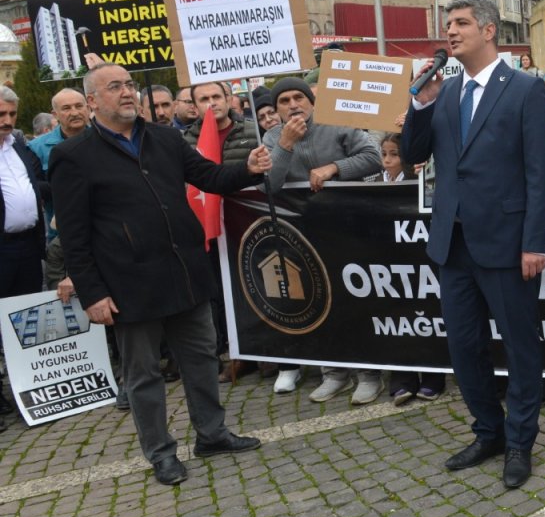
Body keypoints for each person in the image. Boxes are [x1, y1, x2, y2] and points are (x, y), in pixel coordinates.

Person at [49, 63, 270, 486]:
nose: (127, 93)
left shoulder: (165, 138)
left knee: (203, 358)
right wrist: (93, 293)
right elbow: (74, 236)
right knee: (144, 375)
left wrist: (249, 169)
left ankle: (212, 433)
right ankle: (161, 453)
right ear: (93, 101)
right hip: (129, 285)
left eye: (129, 85)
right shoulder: (73, 156)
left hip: (184, 271)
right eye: (115, 87)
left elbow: (209, 177)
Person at [401, 0, 545, 490]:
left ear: (489, 30)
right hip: (453, 244)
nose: (451, 31)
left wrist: (535, 242)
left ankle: (519, 442)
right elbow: (412, 154)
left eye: (462, 23)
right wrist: (418, 105)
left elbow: (543, 172)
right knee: (464, 346)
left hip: (509, 243)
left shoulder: (525, 90)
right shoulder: (444, 93)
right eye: (448, 23)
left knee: (519, 345)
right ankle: (487, 431)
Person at [262, 77, 382, 401]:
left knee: (353, 302)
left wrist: (334, 167)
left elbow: (374, 156)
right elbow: (270, 185)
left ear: (311, 101)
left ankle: (368, 373)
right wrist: (285, 145)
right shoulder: (272, 136)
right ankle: (333, 373)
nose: (292, 105)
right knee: (320, 304)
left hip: (349, 227)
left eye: (298, 97)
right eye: (283, 101)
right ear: (276, 109)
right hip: (306, 234)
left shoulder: (337, 122)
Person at [183, 81, 262, 383]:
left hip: (247, 224)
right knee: (218, 292)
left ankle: (261, 351)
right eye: (203, 98)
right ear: (194, 105)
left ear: (229, 99)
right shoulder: (184, 141)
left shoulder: (252, 131)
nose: (211, 103)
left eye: (217, 96)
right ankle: (233, 352)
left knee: (251, 285)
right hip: (207, 227)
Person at [377, 133, 448, 407]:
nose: (387, 160)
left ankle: (433, 376)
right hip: (391, 264)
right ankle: (402, 378)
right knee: (397, 316)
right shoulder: (373, 183)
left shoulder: (423, 180)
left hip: (423, 262)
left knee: (429, 315)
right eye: (384, 154)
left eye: (394, 154)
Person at [0, 86, 49, 299]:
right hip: (3, 248)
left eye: (12, 114)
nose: (8, 121)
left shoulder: (18, 146)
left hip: (28, 247)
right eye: (1, 114)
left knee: (26, 313)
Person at [28, 88, 90, 171]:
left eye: (79, 106)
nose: (75, 113)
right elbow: (37, 182)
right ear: (55, 114)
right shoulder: (37, 148)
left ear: (88, 109)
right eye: (66, 108)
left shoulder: (103, 138)